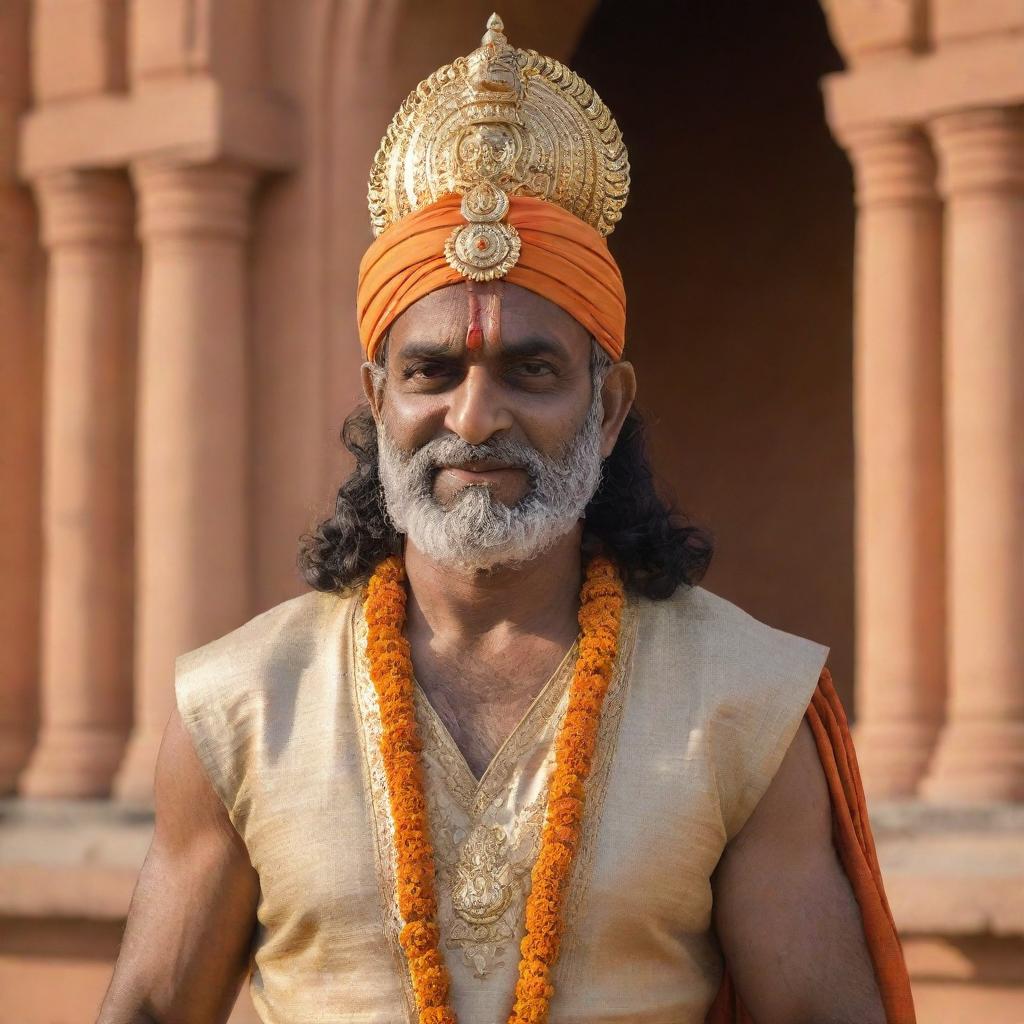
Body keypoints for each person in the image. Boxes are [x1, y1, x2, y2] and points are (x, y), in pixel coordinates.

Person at [97, 15, 915, 1024]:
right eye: (431, 371)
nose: (474, 419)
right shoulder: (239, 705)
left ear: (606, 405)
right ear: (377, 399)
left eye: (530, 370)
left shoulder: (740, 705)